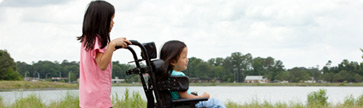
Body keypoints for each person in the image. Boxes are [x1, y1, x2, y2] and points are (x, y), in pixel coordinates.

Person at [77, 1, 131, 108]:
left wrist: (112, 48)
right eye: (111, 19)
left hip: (88, 100)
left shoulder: (87, 40)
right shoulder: (97, 40)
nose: (113, 23)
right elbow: (102, 64)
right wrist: (112, 44)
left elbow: (96, 59)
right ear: (102, 20)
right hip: (99, 101)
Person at [160, 40, 226, 108]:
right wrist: (202, 97)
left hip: (180, 104)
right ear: (173, 61)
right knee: (215, 103)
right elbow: (185, 97)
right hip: (187, 104)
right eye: (184, 57)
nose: (187, 60)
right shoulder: (178, 77)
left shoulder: (168, 75)